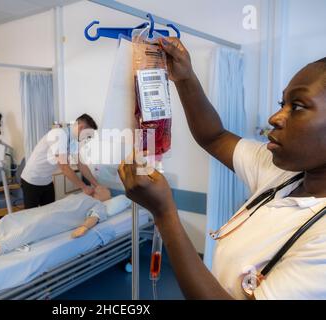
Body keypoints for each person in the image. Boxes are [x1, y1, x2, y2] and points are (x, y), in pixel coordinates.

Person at [118, 36, 326, 299]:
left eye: (297, 106)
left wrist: (164, 214)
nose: (275, 118)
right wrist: (185, 78)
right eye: (281, 104)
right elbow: (214, 137)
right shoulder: (285, 172)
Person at [0, 186, 112, 262]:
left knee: (29, 229)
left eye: (103, 189)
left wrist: (84, 227)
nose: (98, 187)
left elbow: (95, 217)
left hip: (57, 219)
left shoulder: (99, 205)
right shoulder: (81, 195)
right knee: (10, 219)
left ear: (107, 197)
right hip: (46, 210)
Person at [20, 113, 102, 209]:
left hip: (47, 181)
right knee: (31, 216)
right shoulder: (59, 135)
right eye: (87, 135)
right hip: (32, 180)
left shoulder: (73, 141)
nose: (86, 139)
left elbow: (81, 165)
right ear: (81, 128)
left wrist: (97, 185)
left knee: (49, 213)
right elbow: (64, 166)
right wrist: (84, 187)